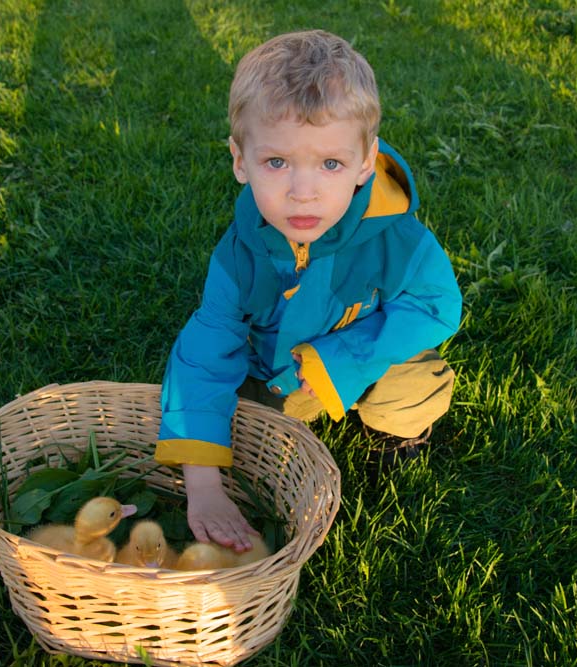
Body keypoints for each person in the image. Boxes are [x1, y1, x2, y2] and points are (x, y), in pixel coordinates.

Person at [154, 30, 462, 552]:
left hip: (363, 356)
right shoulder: (239, 254)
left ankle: (396, 432)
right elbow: (207, 354)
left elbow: (437, 304)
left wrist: (341, 359)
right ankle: (253, 446)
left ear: (365, 162)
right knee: (225, 418)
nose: (303, 190)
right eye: (276, 163)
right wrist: (202, 487)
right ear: (239, 161)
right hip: (278, 376)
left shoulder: (396, 237)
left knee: (413, 385)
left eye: (330, 164)